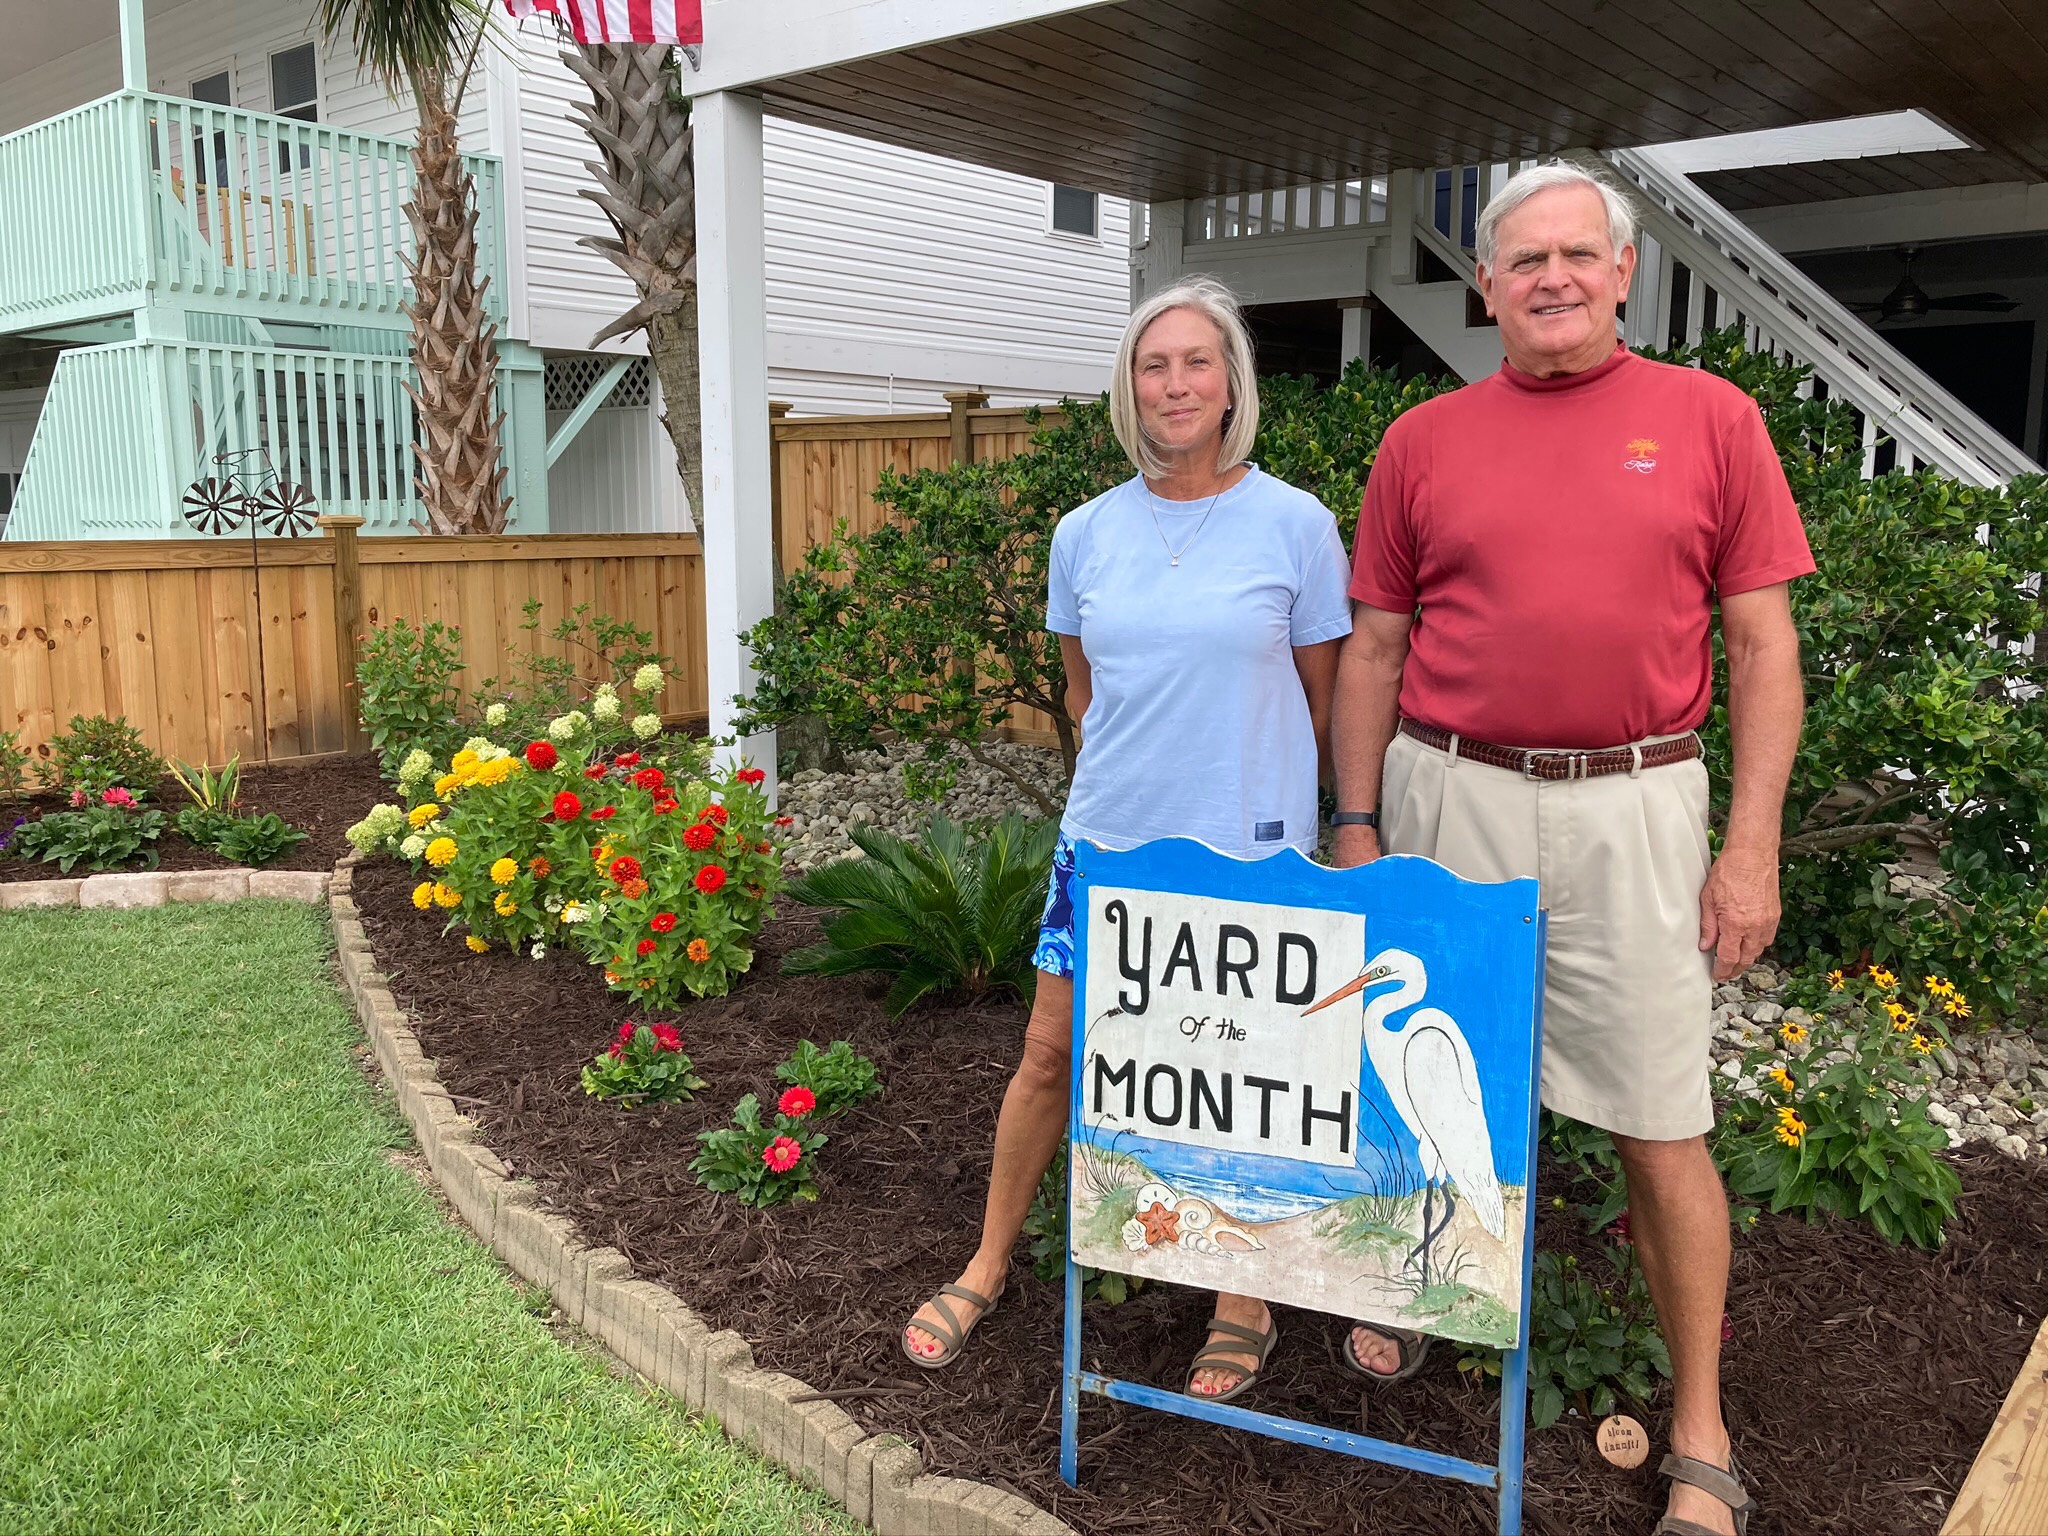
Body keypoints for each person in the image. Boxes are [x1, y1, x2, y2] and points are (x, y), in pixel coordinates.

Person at [1330, 161, 1809, 1536]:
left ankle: (1700, 1423)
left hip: (1634, 805)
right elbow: (1374, 648)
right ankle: (1420, 1289)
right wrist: (1355, 822)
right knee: (1427, 1082)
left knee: (1660, 1122)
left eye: (1574, 255)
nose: (1549, 278)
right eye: (1522, 259)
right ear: (1486, 285)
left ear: (1622, 273)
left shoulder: (1711, 419)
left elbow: (1762, 646)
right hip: (1448, 794)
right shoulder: (1423, 440)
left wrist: (1750, 848)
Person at [900, 275, 1354, 1402]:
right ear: (1129, 388)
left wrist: (1335, 825)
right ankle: (987, 1261)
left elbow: (1327, 700)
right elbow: (1085, 694)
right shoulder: (1084, 533)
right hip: (1107, 850)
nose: (1176, 384)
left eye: (1198, 362)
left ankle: (1241, 1296)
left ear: (1232, 384)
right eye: (1155, 365)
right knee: (1050, 1057)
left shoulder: (1296, 525)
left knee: (1245, 1076)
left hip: (1250, 857)